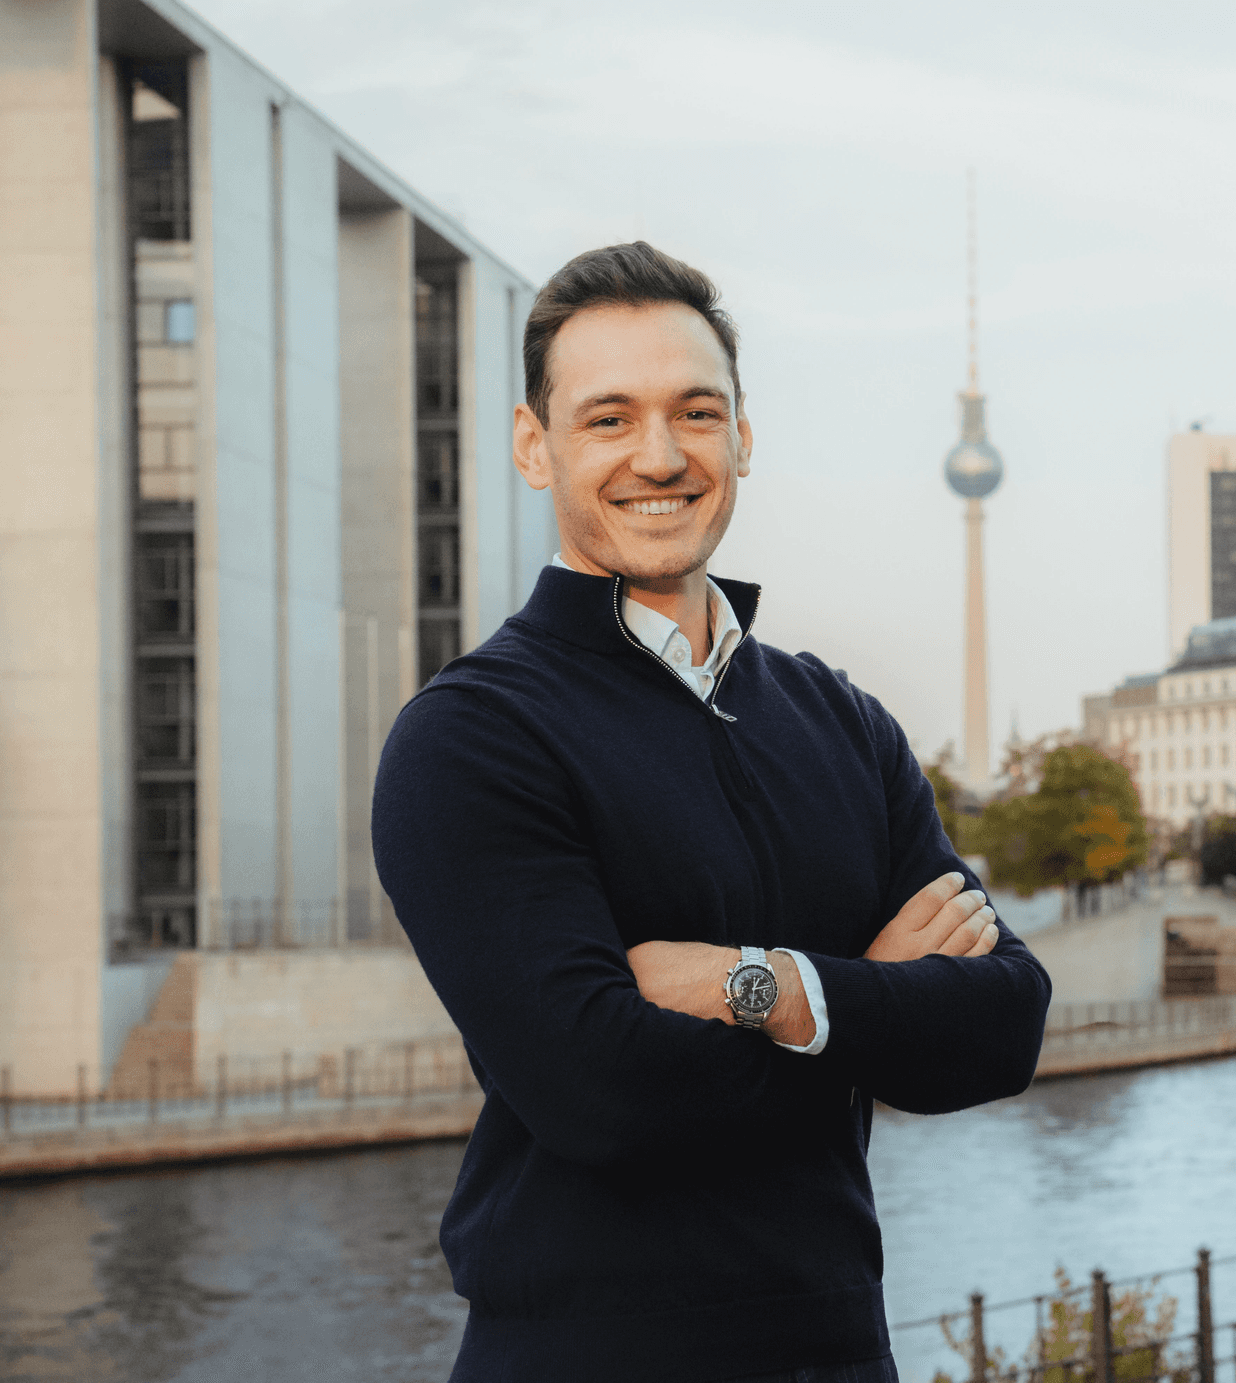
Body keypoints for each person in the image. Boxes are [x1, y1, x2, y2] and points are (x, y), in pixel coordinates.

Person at [372, 241, 1053, 1382]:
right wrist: (871, 1001)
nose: (659, 455)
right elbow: (600, 1096)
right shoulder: (470, 737)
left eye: (695, 413)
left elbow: (1003, 1025)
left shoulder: (842, 720)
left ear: (741, 437)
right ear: (534, 447)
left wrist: (771, 988)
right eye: (608, 419)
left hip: (842, 1354)